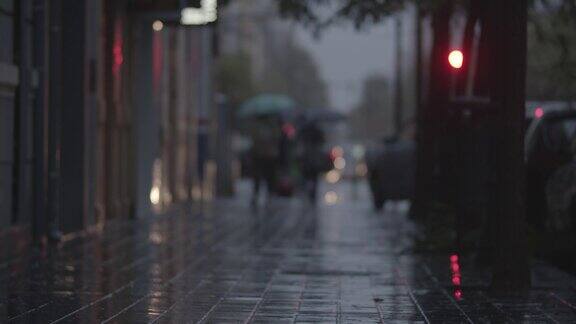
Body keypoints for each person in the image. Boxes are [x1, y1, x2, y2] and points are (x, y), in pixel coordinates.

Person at [248, 115, 282, 207]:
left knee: (268, 176)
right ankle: (258, 195)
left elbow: (277, 138)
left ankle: (268, 195)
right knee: (259, 177)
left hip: (268, 155)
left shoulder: (272, 127)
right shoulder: (257, 127)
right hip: (261, 155)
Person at [298, 121, 327, 203]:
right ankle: (312, 194)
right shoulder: (317, 132)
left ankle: (308, 192)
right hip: (313, 160)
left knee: (307, 176)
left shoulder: (304, 131)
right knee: (314, 178)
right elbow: (322, 141)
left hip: (307, 159)